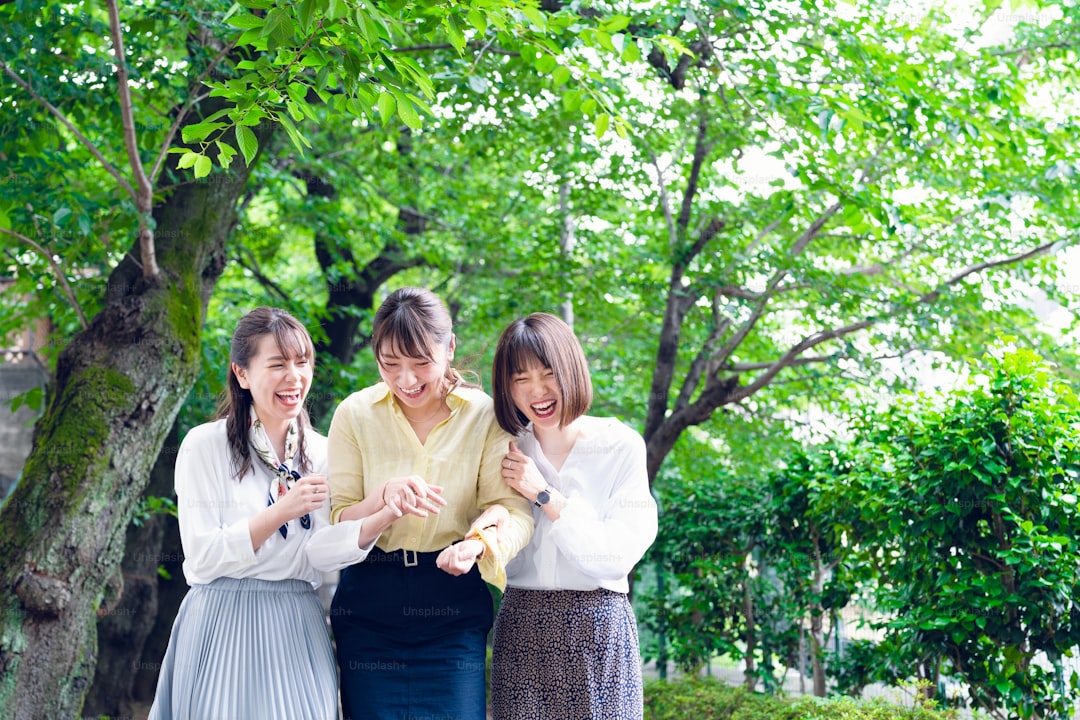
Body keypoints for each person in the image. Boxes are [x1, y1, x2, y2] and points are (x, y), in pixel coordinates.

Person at [323, 286, 534, 720]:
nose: (406, 380)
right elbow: (339, 516)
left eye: (421, 363)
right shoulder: (354, 414)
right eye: (390, 364)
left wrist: (478, 545)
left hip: (452, 603)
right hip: (369, 603)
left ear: (450, 347)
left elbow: (513, 511)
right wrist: (383, 501)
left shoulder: (486, 416)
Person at [149, 307, 366, 720]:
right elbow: (202, 556)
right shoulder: (204, 445)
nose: (295, 376)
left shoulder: (322, 452)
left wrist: (378, 511)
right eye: (278, 364)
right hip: (219, 621)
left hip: (296, 624)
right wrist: (282, 511)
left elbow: (323, 553)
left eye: (302, 362)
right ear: (242, 374)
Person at [488, 312, 658, 720]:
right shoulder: (505, 448)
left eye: (548, 373)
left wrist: (545, 495)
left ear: (572, 371)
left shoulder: (620, 445)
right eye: (520, 379)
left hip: (599, 626)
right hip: (523, 627)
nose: (537, 391)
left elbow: (614, 558)